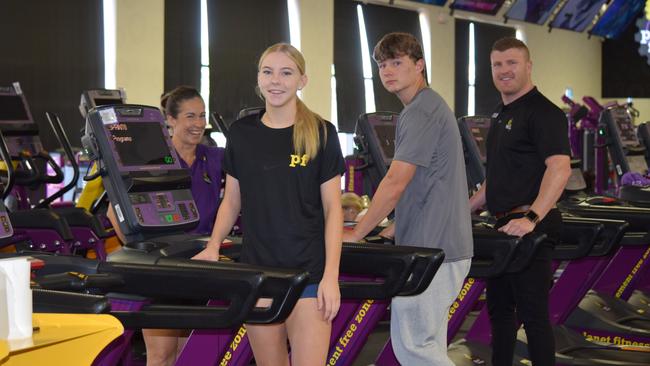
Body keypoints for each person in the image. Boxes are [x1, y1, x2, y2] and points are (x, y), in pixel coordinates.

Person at [193, 43, 345, 366]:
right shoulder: (241, 133)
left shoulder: (321, 132)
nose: (276, 81)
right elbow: (231, 199)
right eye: (268, 72)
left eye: (286, 73)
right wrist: (213, 244)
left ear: (302, 80)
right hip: (258, 273)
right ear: (259, 79)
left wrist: (331, 276)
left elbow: (334, 210)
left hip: (309, 274)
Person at [342, 32, 473, 365]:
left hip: (433, 249)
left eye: (397, 62)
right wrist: (397, 224)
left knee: (414, 348)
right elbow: (427, 182)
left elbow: (396, 181)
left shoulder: (420, 111)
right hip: (439, 244)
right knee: (427, 346)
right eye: (383, 65)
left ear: (419, 66)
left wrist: (357, 233)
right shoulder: (426, 107)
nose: (388, 71)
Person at [468, 37, 571, 366]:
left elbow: (560, 167)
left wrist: (532, 218)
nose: (504, 70)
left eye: (511, 63)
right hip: (503, 229)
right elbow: (493, 181)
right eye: (497, 64)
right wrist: (460, 211)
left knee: (534, 317)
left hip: (529, 229)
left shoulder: (544, 112)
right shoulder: (500, 113)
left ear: (528, 66)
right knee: (499, 314)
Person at [107, 86, 224, 366]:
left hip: (201, 266)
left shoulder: (214, 158)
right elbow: (114, 211)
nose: (198, 124)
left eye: (202, 116)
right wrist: (139, 250)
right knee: (161, 356)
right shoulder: (153, 156)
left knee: (187, 356)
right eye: (190, 116)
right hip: (164, 268)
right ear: (169, 120)